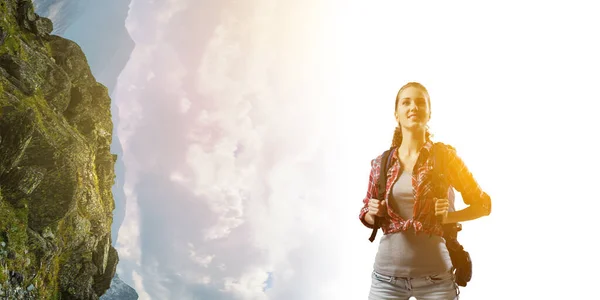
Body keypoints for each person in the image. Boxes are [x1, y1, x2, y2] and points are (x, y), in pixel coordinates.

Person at [359, 82, 492, 300]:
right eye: (406, 102)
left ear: (429, 113)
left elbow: (484, 205)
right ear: (397, 114)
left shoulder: (445, 158)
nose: (414, 107)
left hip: (436, 281)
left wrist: (449, 217)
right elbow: (366, 213)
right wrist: (373, 213)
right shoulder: (381, 163)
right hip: (386, 281)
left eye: (421, 102)